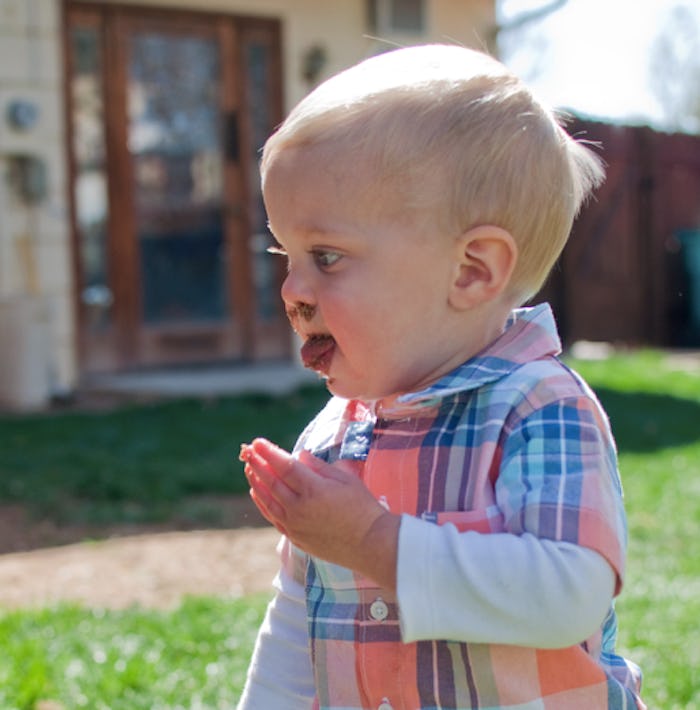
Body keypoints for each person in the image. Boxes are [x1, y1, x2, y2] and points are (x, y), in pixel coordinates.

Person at [237, 44, 645, 710]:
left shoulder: (539, 407)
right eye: (286, 254)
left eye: (328, 257)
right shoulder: (335, 437)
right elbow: (294, 622)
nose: (293, 290)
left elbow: (569, 594)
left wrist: (373, 542)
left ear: (471, 271)